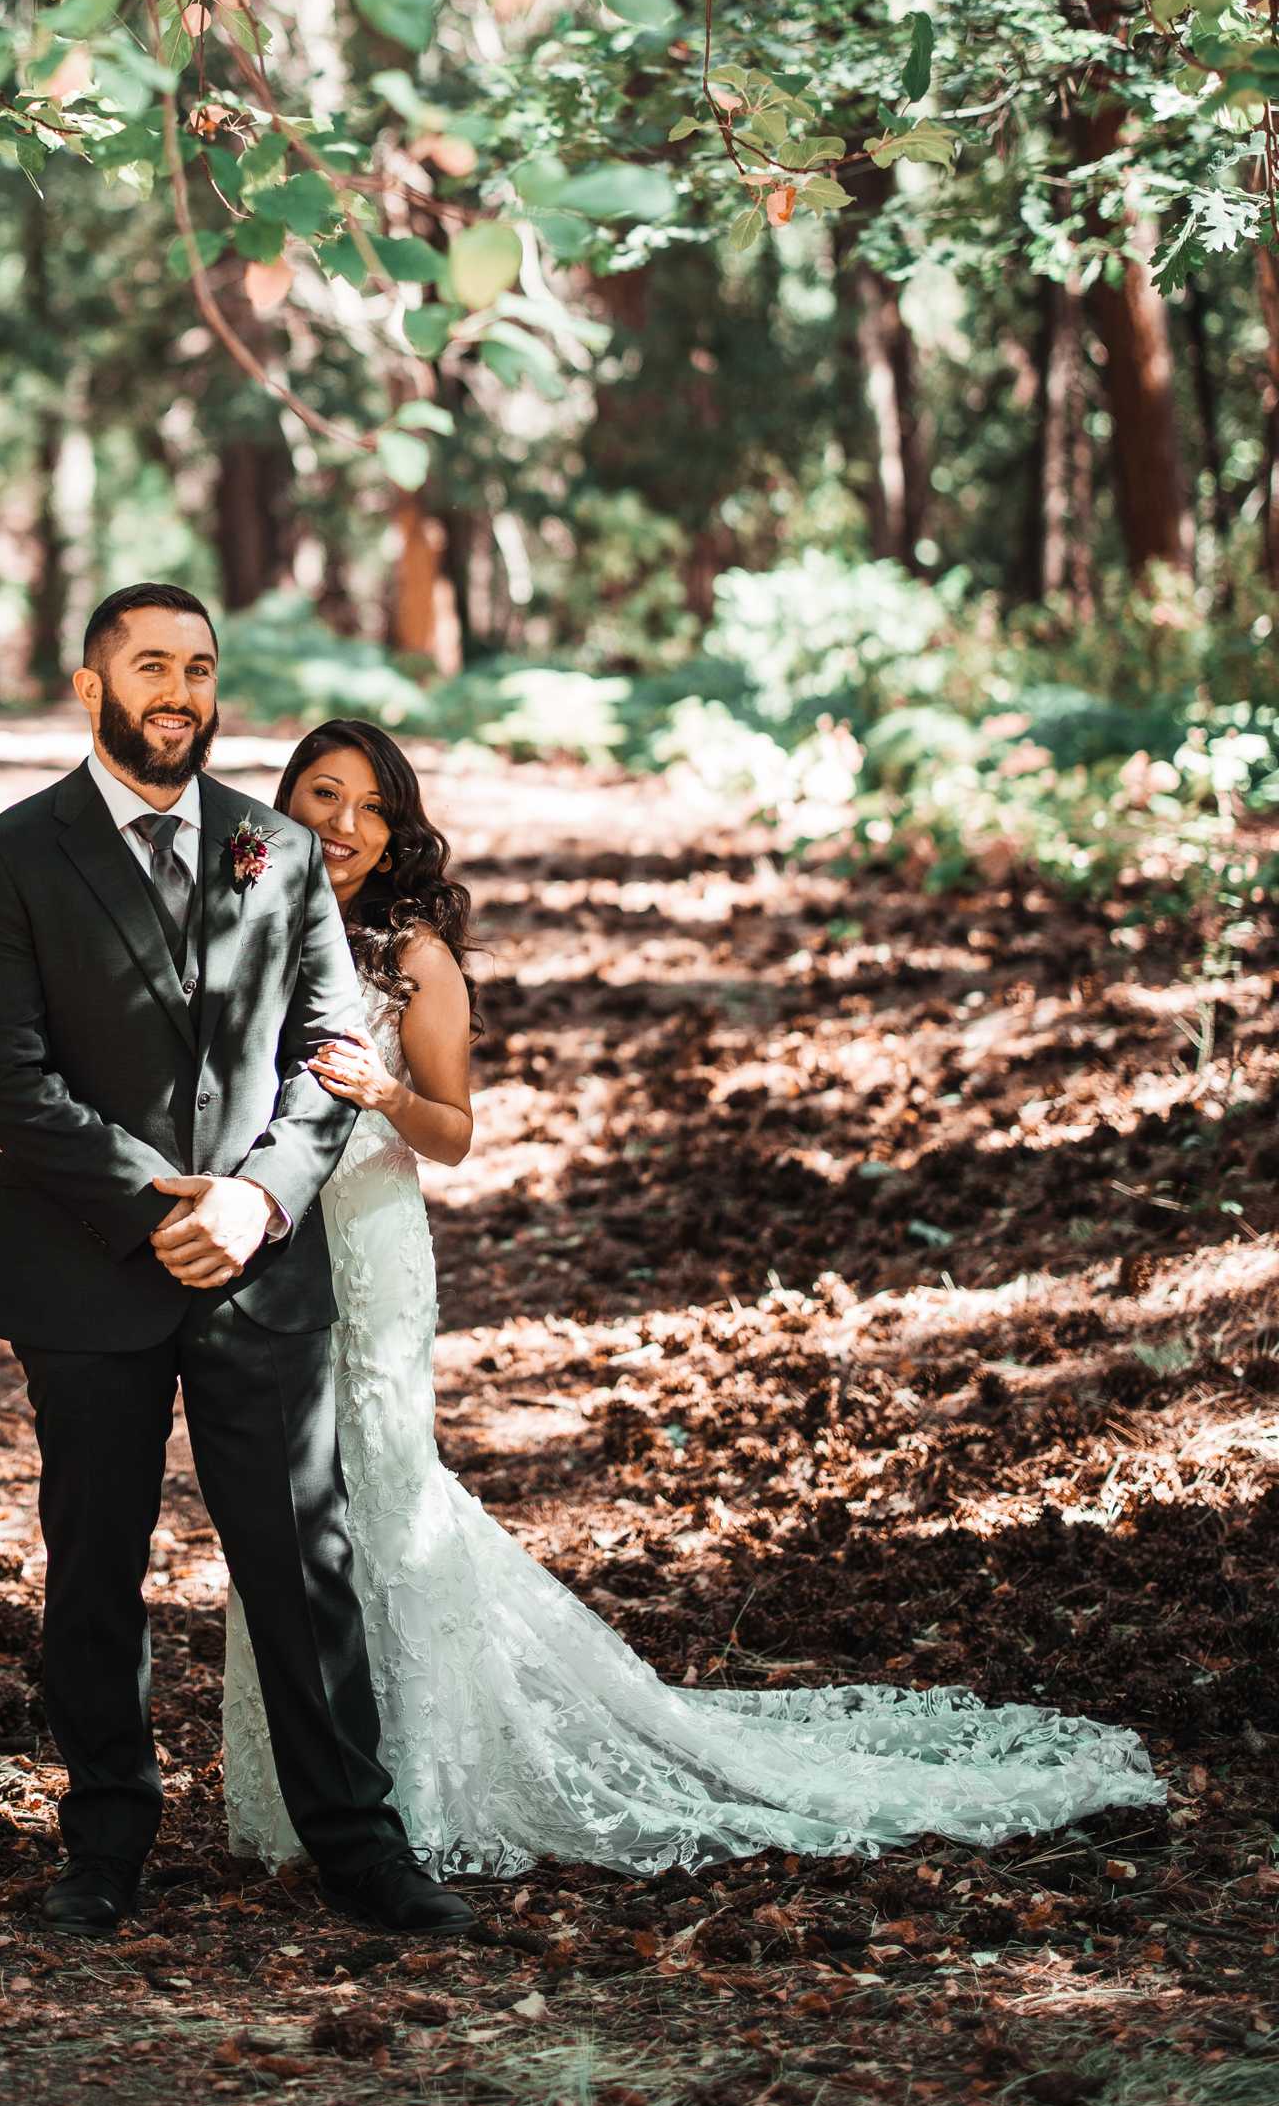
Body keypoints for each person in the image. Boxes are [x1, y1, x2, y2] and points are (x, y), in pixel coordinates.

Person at [225, 717, 1166, 1879]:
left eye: (370, 806)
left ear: (399, 823)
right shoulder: (250, 926)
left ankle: (413, 1783)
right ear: (280, 803)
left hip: (368, 1238)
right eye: (321, 796)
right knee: (274, 1491)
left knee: (383, 1480)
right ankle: (291, 1794)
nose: (345, 827)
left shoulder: (411, 953)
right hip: (264, 1242)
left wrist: (378, 1091)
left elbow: (456, 1134)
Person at [0, 587, 474, 1938]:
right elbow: (4, 1077)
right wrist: (149, 1199)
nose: (179, 688)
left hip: (263, 1263)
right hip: (86, 1264)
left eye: (200, 666)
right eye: (150, 665)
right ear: (90, 685)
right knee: (95, 1560)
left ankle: (357, 1843)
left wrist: (260, 1203)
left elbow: (329, 1057)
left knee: (304, 1556)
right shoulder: (7, 858)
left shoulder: (274, 848)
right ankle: (105, 1845)